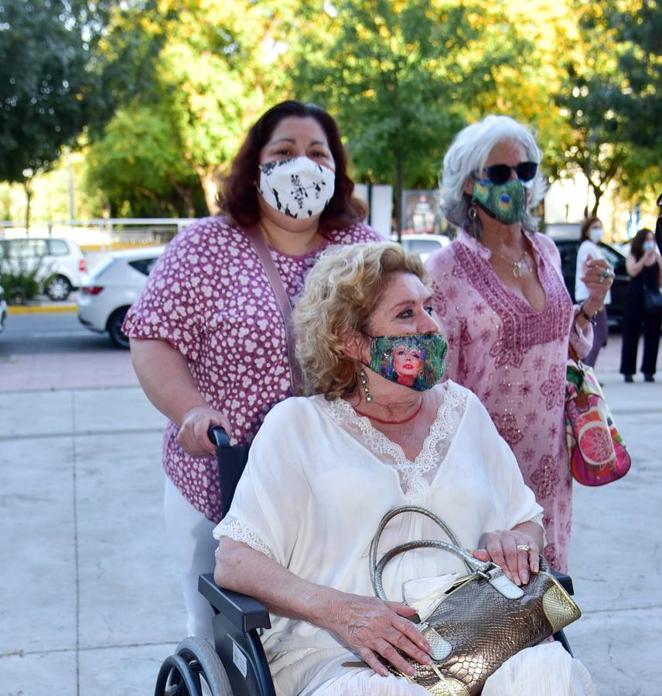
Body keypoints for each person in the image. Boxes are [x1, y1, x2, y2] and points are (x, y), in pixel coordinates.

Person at [213, 242, 595, 696]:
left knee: (546, 673)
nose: (431, 325)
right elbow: (234, 561)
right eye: (406, 314)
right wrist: (341, 611)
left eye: (429, 307)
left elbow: (525, 519)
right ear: (350, 340)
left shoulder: (463, 410)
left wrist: (515, 540)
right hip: (340, 654)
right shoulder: (297, 426)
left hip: (477, 639)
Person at [123, 100, 380, 639]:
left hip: (339, 475)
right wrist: (190, 411)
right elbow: (153, 337)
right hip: (222, 475)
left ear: (335, 169)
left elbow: (403, 332)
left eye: (317, 153)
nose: (302, 165)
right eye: (284, 152)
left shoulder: (363, 249)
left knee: (328, 620)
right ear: (255, 165)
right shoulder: (206, 245)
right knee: (223, 630)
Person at [425, 115, 613, 573]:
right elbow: (436, 385)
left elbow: (562, 346)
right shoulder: (443, 270)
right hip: (484, 466)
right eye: (499, 173)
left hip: (551, 458)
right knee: (493, 598)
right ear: (469, 185)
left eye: (525, 171)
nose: (516, 183)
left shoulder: (546, 251)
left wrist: (593, 303)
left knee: (548, 588)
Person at [619, 227, 662, 383]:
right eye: (647, 239)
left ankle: (649, 370)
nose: (650, 243)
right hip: (635, 298)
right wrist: (644, 258)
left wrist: (658, 261)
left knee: (653, 335)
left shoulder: (657, 257)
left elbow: (660, 279)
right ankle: (628, 371)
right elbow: (632, 271)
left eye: (652, 239)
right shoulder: (633, 255)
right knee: (631, 334)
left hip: (652, 299)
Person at [575, 217, 610, 367]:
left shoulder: (593, 247)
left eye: (600, 227)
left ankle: (585, 371)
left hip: (593, 298)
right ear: (587, 230)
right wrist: (596, 299)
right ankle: (587, 371)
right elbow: (588, 273)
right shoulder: (587, 247)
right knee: (599, 334)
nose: (598, 231)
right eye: (594, 227)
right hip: (590, 299)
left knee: (589, 336)